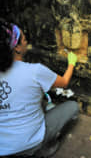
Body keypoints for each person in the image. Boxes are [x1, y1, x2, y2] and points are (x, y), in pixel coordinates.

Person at [0, 21, 79, 157]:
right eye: (24, 39)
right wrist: (71, 64)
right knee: (72, 107)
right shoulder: (35, 71)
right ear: (17, 48)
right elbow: (64, 82)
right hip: (29, 142)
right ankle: (44, 148)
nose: (26, 42)